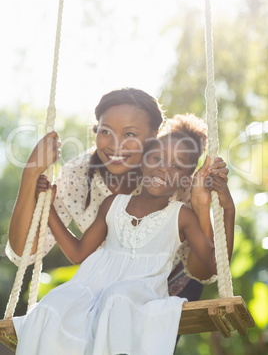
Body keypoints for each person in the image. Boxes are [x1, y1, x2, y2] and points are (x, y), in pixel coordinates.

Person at [12, 119, 235, 355]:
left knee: (117, 298)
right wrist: (48, 207)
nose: (163, 168)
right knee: (52, 306)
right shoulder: (113, 204)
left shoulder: (182, 216)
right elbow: (78, 253)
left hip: (138, 293)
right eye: (157, 158)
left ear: (186, 181)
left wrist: (228, 209)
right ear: (142, 162)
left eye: (177, 166)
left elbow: (215, 264)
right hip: (92, 286)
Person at [6, 88, 228, 299]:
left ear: (154, 137)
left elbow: (202, 272)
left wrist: (201, 206)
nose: (115, 145)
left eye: (129, 133)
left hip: (170, 286)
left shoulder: (173, 181)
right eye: (105, 132)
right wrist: (30, 174)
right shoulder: (78, 175)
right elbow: (24, 253)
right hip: (107, 287)